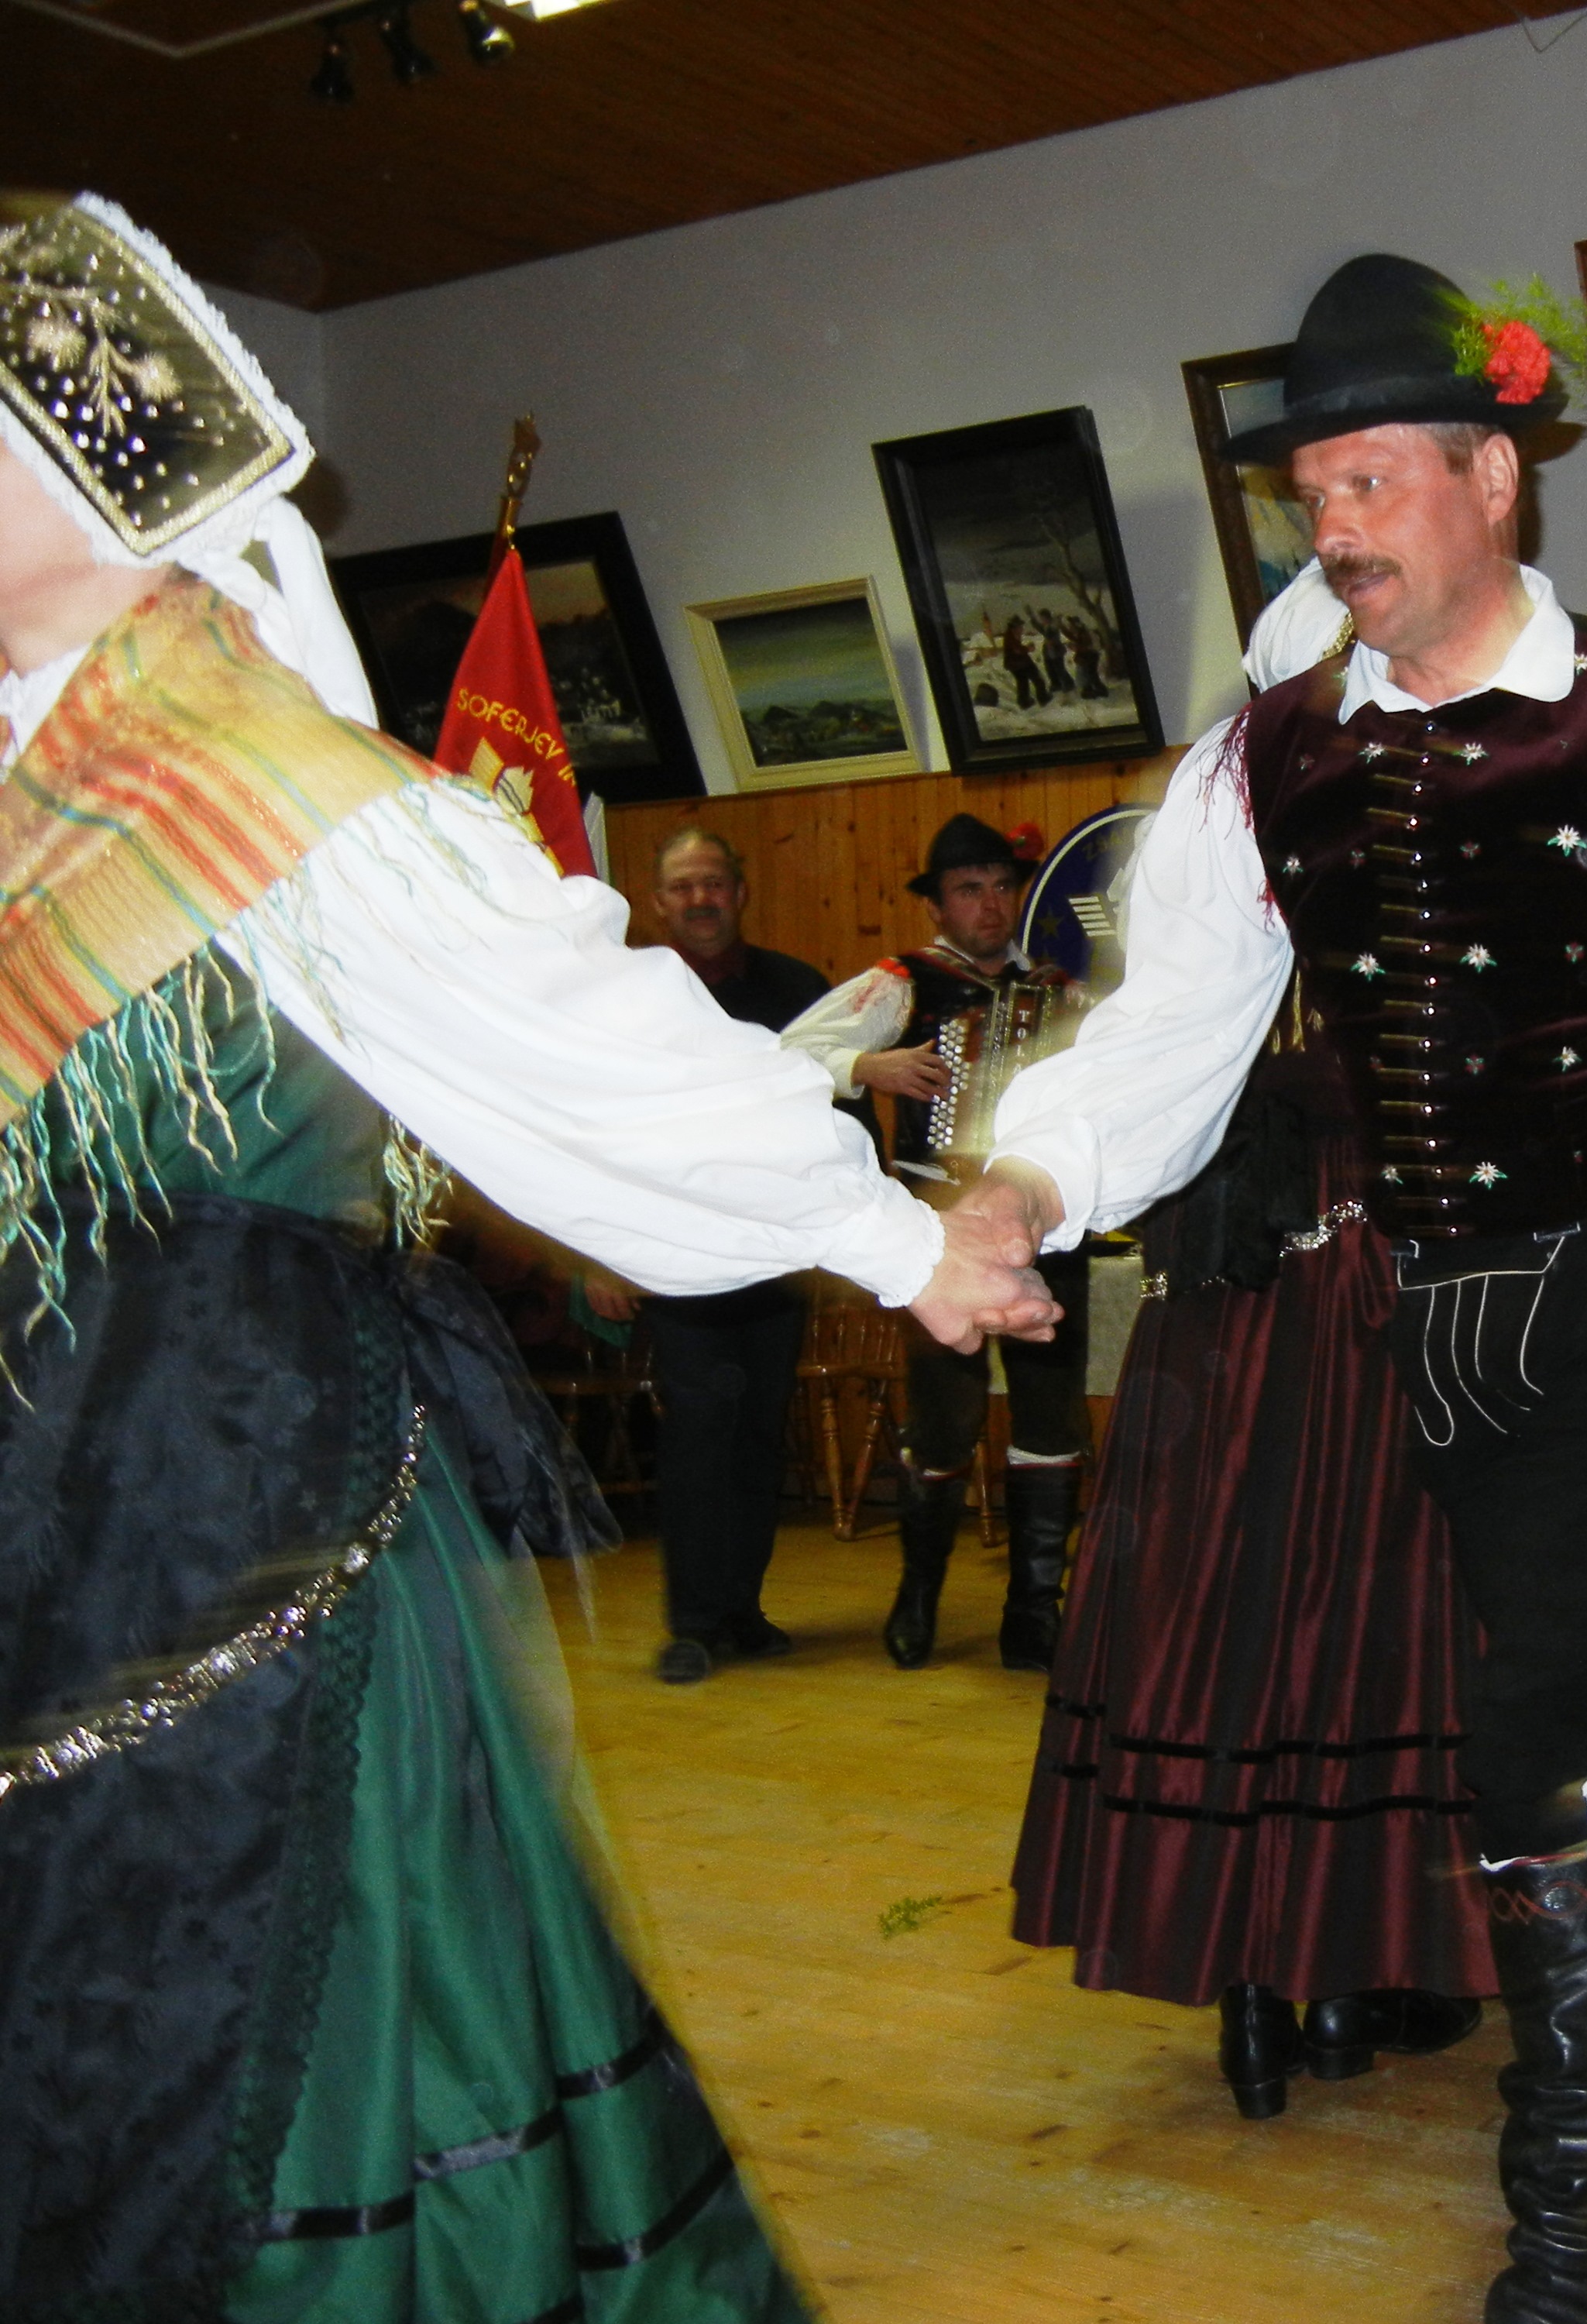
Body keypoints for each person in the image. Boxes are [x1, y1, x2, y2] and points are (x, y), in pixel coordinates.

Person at [0, 191, 1043, 2324]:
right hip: (53, 1525)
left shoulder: (254, 779)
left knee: (279, 2021)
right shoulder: (41, 768)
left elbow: (569, 1027)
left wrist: (882, 1234)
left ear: (96, 470)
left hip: (233, 1519)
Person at [972, 253, 1587, 2322]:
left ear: (1492, 477)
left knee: (1529, 1740)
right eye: (1313, 494)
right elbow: (1173, 1029)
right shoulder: (1262, 763)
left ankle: (1571, 2240)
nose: (1336, 529)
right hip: (1440, 1305)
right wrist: (1029, 1177)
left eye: (1373, 481)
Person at [1012, 537, 1587, 2123]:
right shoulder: (1259, 796)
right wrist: (1025, 1183)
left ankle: (1556, 2171)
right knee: (1575, 1684)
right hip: (1373, 1299)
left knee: (1516, 1710)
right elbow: (1164, 1036)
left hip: (1553, 1280)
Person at [782, 815, 1093, 1672]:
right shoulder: (902, 982)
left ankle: (1033, 1611)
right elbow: (788, 1054)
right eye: (968, 889)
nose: (989, 905)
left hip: (1046, 1221)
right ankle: (917, 1595)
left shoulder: (1061, 990)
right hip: (936, 1227)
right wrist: (866, 1068)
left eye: (1000, 886)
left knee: (1052, 1413)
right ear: (938, 905)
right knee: (944, 1415)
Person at [588, 827, 834, 1684]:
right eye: (683, 887)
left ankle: (741, 1611)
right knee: (699, 1436)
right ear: (658, 903)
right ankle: (693, 1623)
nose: (701, 899)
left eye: (714, 883)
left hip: (775, 1255)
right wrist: (600, 1252)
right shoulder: (627, 1001)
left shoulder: (798, 991)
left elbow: (834, 1116)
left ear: (740, 890)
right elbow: (597, 1132)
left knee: (760, 1436)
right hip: (677, 1256)